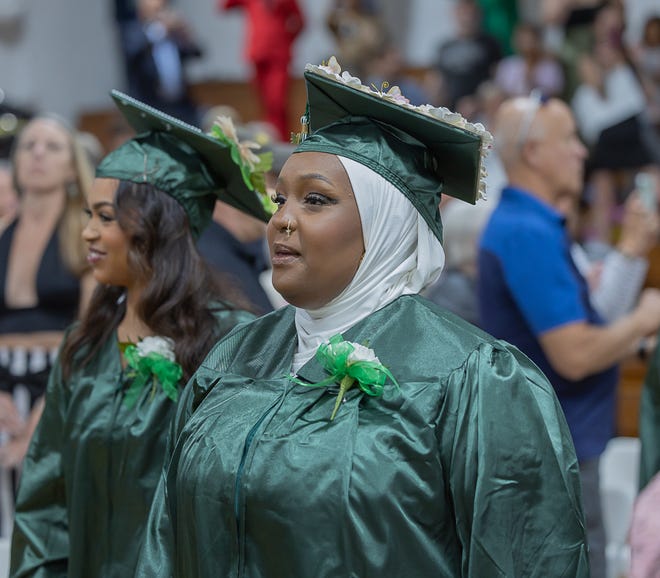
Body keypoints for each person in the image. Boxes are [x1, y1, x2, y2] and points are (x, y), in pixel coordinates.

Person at [135, 57, 589, 577]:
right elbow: (167, 538)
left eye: (315, 200)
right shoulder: (238, 354)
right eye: (281, 198)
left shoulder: (473, 377)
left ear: (386, 227)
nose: (281, 219)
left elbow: (526, 558)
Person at [9, 90, 273, 577]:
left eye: (106, 217)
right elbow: (46, 501)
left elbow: (236, 509)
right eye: (89, 214)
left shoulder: (232, 343)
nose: (89, 232)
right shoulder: (85, 344)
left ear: (157, 229)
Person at [477, 93, 660, 578]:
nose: (583, 151)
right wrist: (643, 319)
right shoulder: (526, 232)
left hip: (559, 443)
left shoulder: (533, 225)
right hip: (557, 450)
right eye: (571, 139)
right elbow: (575, 354)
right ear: (534, 152)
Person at [0, 115, 95, 537]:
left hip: (64, 374)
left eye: (52, 146)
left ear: (72, 165)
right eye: (28, 146)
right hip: (3, 379)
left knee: (47, 505)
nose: (37, 153)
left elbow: (91, 329)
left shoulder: (87, 233)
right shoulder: (2, 233)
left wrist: (45, 407)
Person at [221, 0, 304, 141]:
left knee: (277, 104)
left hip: (278, 58)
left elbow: (300, 22)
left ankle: (281, 143)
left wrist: (286, 39)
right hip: (258, 55)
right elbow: (225, 6)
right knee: (265, 104)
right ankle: (272, 141)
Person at [118, 0, 204, 126]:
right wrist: (159, 30)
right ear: (141, 11)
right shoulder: (132, 31)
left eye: (163, 8)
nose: (161, 13)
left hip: (181, 107)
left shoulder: (174, 35)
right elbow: (133, 54)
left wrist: (184, 33)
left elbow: (197, 53)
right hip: (149, 108)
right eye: (156, 10)